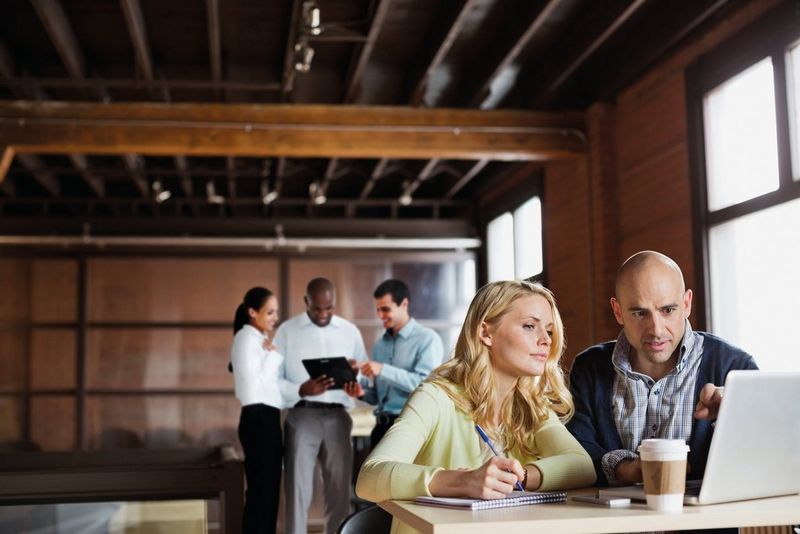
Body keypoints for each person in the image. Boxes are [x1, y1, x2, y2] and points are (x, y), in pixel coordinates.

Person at [356, 280, 596, 533]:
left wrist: (517, 477)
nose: (545, 340)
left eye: (549, 330)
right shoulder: (435, 397)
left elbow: (582, 466)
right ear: (485, 333)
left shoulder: (531, 406)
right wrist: (461, 481)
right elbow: (369, 478)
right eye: (529, 326)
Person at [567, 250, 758, 487]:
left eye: (668, 310)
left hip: (704, 524)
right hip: (615, 524)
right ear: (618, 312)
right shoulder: (589, 369)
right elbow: (574, 448)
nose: (656, 330)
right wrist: (625, 468)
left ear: (686, 304)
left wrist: (731, 417)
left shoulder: (735, 368)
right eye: (639, 313)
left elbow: (765, 457)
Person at [274, 277, 368, 534]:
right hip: (302, 415)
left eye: (329, 308)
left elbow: (364, 374)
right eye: (318, 309)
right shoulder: (287, 331)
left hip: (338, 417)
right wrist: (300, 389)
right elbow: (272, 380)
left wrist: (355, 383)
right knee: (297, 490)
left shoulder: (350, 331)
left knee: (339, 492)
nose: (324, 314)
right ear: (307, 302)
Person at [348, 279, 444, 447]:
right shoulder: (380, 345)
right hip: (380, 428)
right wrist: (360, 392)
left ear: (404, 304)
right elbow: (379, 398)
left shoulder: (427, 339)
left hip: (411, 428)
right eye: (377, 310)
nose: (380, 316)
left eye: (385, 309)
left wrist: (383, 369)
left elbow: (426, 385)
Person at [230, 287, 283, 534]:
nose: (275, 317)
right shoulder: (245, 338)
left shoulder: (256, 339)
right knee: (261, 493)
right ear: (252, 312)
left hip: (267, 418)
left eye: (276, 312)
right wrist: (272, 356)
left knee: (268, 492)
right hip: (258, 417)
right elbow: (253, 385)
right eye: (269, 312)